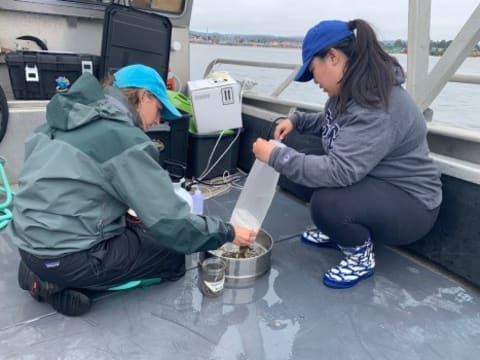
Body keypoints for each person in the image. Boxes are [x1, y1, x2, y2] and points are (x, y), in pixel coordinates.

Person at [4, 64, 256, 316]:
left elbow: (70, 186)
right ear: (144, 96)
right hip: (69, 256)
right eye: (159, 110)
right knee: (172, 255)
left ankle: (40, 272)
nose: (158, 121)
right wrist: (227, 232)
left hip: (28, 245)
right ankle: (62, 287)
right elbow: (173, 225)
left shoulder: (68, 116)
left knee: (133, 227)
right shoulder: (123, 136)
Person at [252, 20, 442, 289]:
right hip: (377, 182)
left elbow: (340, 171)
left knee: (327, 203)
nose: (315, 81)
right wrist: (297, 121)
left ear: (333, 57)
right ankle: (340, 232)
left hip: (412, 205)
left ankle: (360, 256)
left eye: (313, 71)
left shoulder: (378, 104)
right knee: (303, 155)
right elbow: (333, 123)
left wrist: (276, 157)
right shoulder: (352, 90)